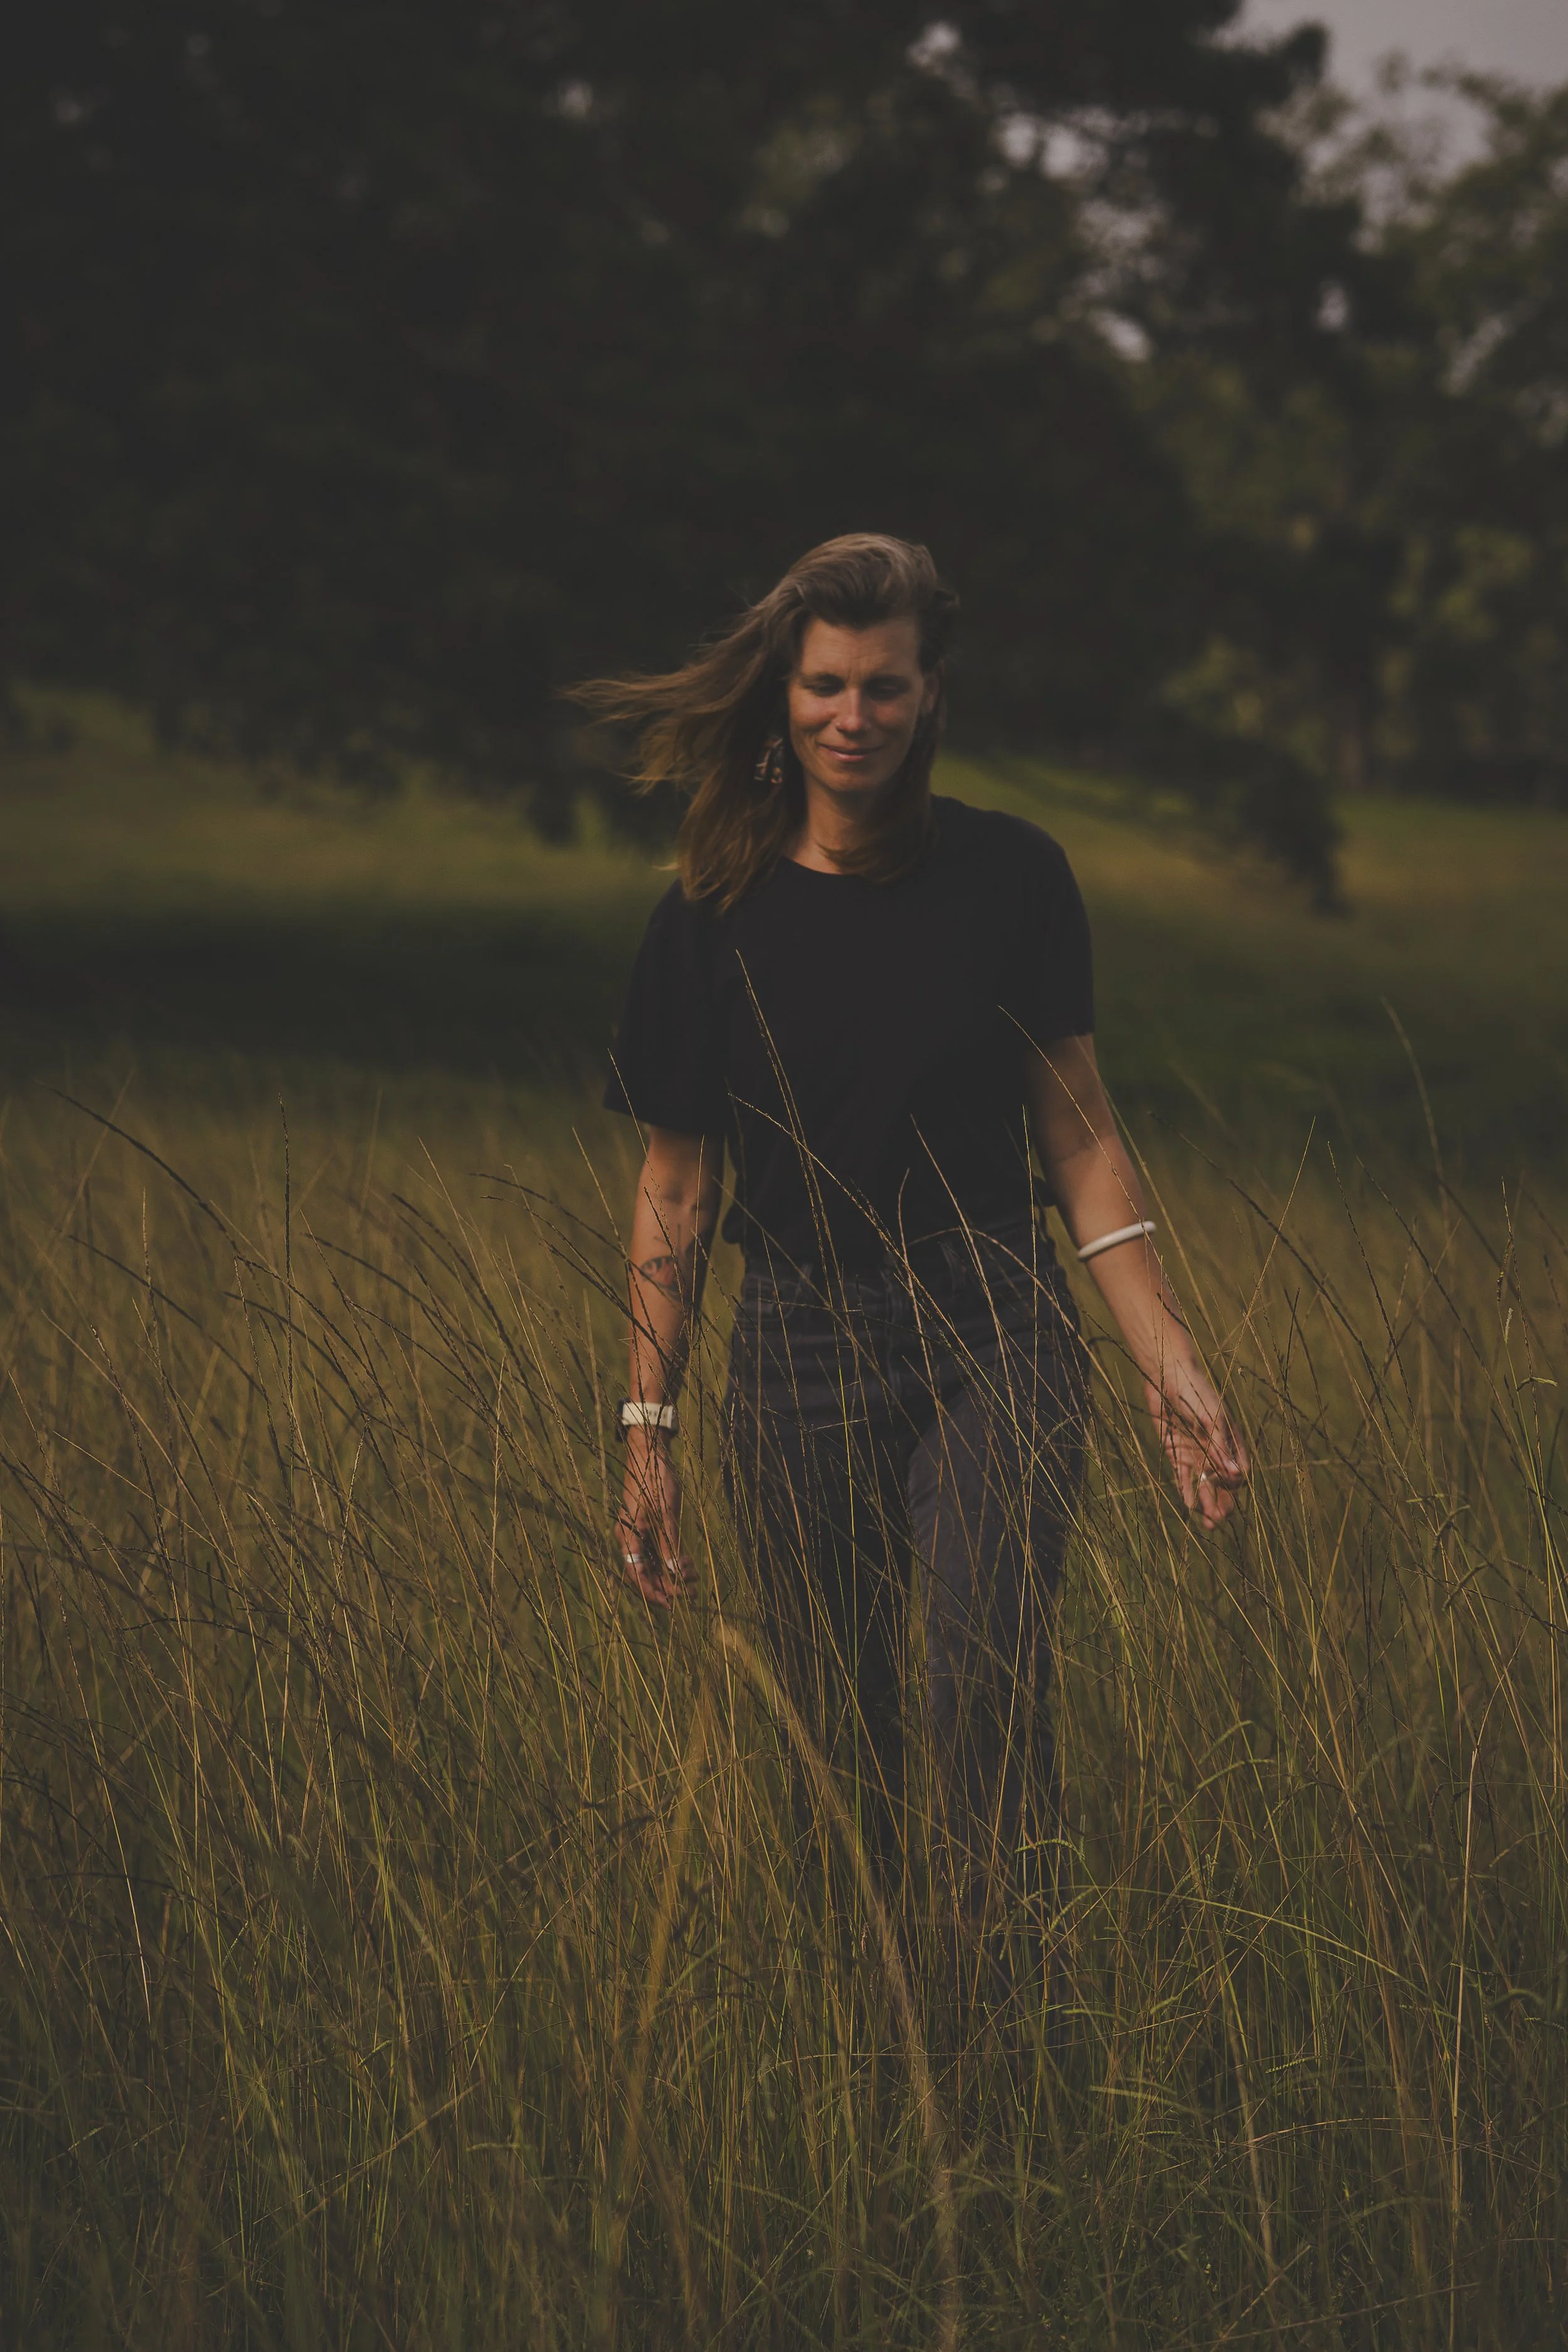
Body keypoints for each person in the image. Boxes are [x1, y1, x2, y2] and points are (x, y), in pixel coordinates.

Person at [586, 534, 1247, 1948]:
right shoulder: (709, 913)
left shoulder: (1011, 880)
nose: (851, 716)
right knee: (836, 1738)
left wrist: (1166, 1356)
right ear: (782, 693)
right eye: (824, 684)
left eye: (884, 687)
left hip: (990, 1326)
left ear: (929, 694)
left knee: (978, 1684)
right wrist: (647, 1427)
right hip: (793, 1346)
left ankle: (1003, 2043)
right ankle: (878, 2057)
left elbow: (1076, 1136)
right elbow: (675, 1191)